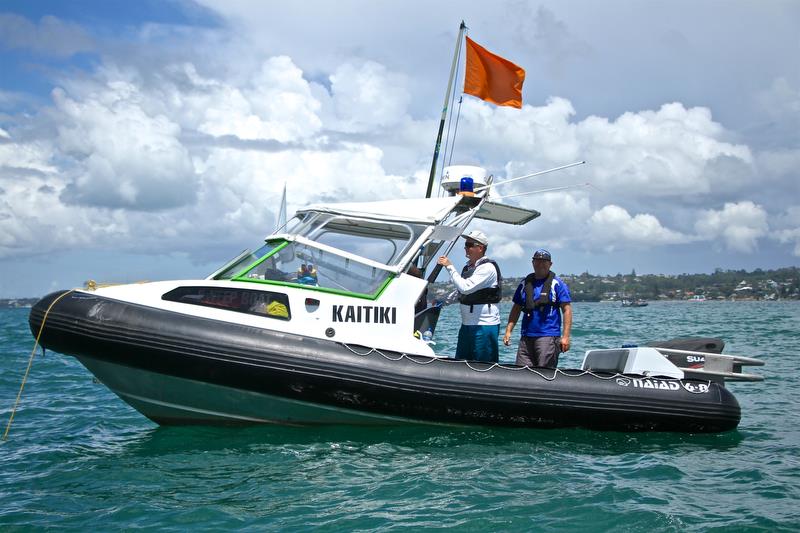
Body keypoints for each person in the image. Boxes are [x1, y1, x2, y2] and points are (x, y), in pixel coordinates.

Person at [437, 230, 502, 363]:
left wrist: (449, 267)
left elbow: (465, 288)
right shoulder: (469, 268)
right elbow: (459, 292)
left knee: (483, 365)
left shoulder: (487, 268)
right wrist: (441, 302)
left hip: (484, 326)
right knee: (462, 362)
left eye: (470, 244)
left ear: (480, 248)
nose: (466, 247)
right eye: (466, 244)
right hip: (467, 325)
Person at [503, 248, 572, 368]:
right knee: (522, 372)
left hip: (548, 336)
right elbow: (516, 307)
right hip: (526, 337)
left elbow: (567, 309)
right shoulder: (525, 283)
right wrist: (508, 331)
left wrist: (565, 337)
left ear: (550, 264)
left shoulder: (557, 284)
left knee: (545, 373)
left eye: (544, 262)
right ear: (533, 263)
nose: (540, 264)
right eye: (537, 261)